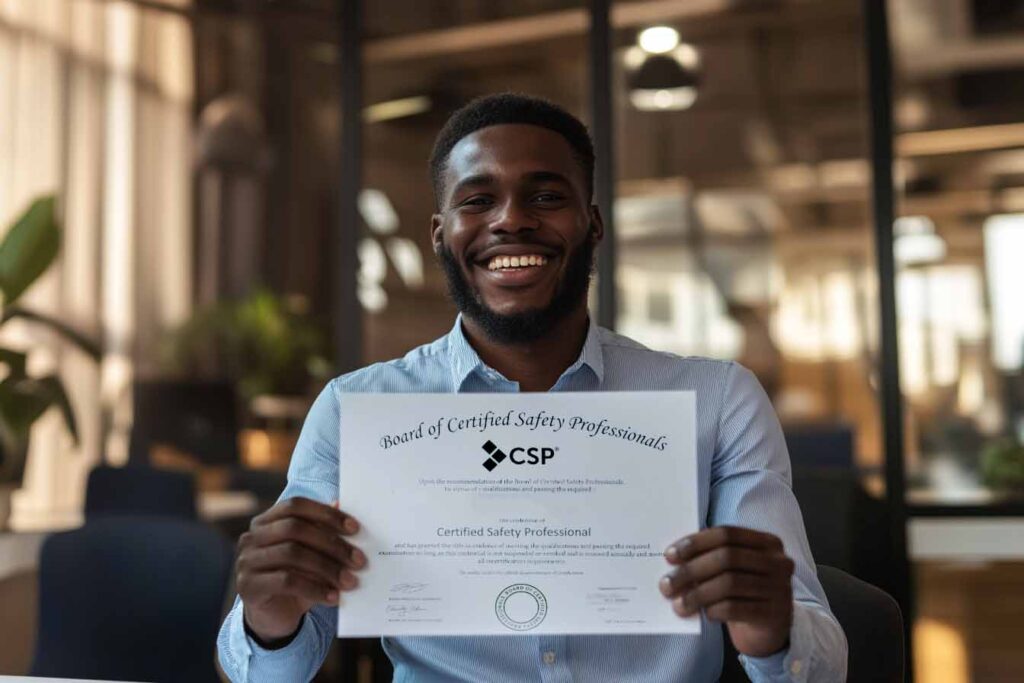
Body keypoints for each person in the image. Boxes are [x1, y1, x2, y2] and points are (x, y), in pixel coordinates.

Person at [216, 93, 847, 682]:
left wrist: (772, 625)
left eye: (546, 197)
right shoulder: (357, 411)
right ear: (441, 233)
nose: (511, 220)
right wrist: (270, 618)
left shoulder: (716, 403)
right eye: (477, 200)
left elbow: (819, 659)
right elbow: (270, 671)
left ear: (592, 224)